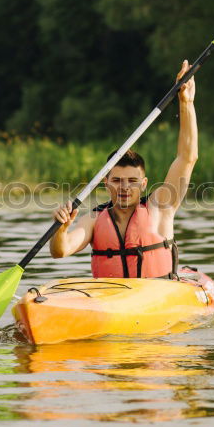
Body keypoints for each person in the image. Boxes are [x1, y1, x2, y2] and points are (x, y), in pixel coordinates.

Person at [49, 60, 198, 278]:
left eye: (132, 181)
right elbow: (60, 251)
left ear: (144, 183)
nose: (125, 187)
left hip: (159, 295)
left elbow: (187, 157)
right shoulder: (94, 219)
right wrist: (61, 228)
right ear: (105, 182)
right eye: (117, 180)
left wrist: (186, 104)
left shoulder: (161, 206)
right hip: (112, 299)